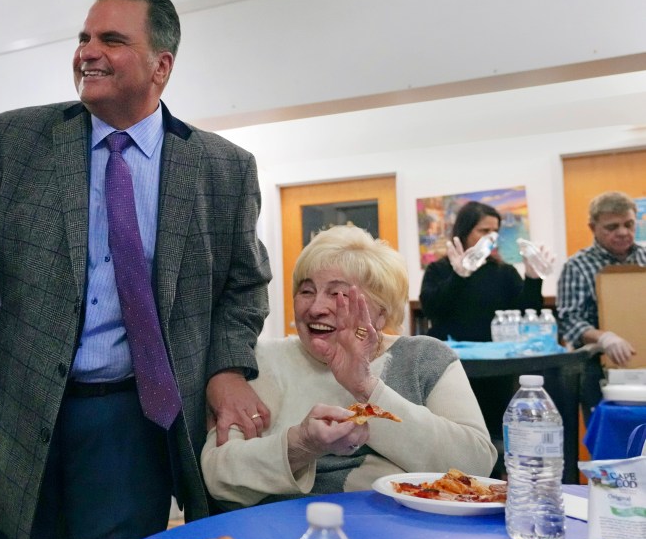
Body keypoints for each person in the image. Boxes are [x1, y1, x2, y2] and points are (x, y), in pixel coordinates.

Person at [0, 0, 272, 539]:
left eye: (111, 39)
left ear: (161, 66)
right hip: (18, 414)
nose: (88, 51)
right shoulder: (19, 139)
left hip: (135, 423)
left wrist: (229, 366)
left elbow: (244, 284)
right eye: (84, 37)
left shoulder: (223, 168)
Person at [201, 226, 496, 508]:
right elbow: (218, 476)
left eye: (337, 294)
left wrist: (366, 388)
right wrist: (301, 445)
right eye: (306, 291)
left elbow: (476, 466)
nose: (316, 308)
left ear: (380, 313)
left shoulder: (425, 358)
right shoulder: (260, 360)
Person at [557, 191, 646, 420]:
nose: (623, 232)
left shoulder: (644, 259)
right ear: (592, 227)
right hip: (596, 368)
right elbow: (569, 319)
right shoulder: (577, 266)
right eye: (612, 227)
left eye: (628, 224)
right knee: (612, 439)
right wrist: (604, 338)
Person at [420, 201, 547, 342]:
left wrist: (533, 279)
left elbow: (527, 314)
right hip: (450, 355)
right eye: (485, 231)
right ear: (464, 232)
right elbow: (431, 310)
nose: (492, 238)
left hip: (494, 356)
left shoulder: (505, 271)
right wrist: (458, 277)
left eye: (495, 232)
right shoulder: (438, 269)